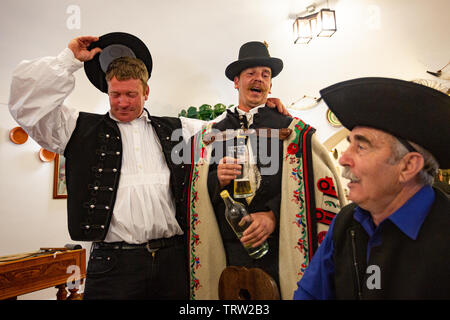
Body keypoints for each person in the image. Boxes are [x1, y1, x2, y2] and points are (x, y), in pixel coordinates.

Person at [8, 33, 288, 300]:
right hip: (112, 265)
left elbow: (232, 130)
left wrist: (263, 109)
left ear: (146, 92)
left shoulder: (179, 129)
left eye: (131, 94)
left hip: (172, 261)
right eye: (115, 94)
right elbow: (28, 107)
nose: (122, 103)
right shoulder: (78, 129)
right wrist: (67, 60)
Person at [187, 41, 346, 300]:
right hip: (228, 255)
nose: (258, 79)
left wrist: (273, 215)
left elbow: (308, 184)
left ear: (270, 85)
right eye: (251, 73)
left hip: (280, 252)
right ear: (236, 82)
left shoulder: (292, 131)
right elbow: (193, 195)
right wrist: (217, 179)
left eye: (265, 74)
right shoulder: (210, 134)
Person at [293, 77, 450, 300]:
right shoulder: (346, 222)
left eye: (361, 146)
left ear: (408, 166)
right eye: (349, 144)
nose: (344, 159)